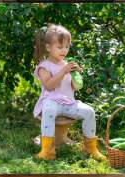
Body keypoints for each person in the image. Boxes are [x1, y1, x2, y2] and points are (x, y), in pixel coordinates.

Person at [32, 23, 106, 161]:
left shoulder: (66, 65)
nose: (64, 50)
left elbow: (76, 87)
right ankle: (47, 151)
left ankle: (90, 148)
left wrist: (76, 75)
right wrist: (64, 71)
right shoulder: (44, 66)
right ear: (48, 47)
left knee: (89, 111)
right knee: (48, 111)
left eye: (66, 46)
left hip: (68, 102)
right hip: (51, 101)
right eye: (59, 47)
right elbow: (49, 86)